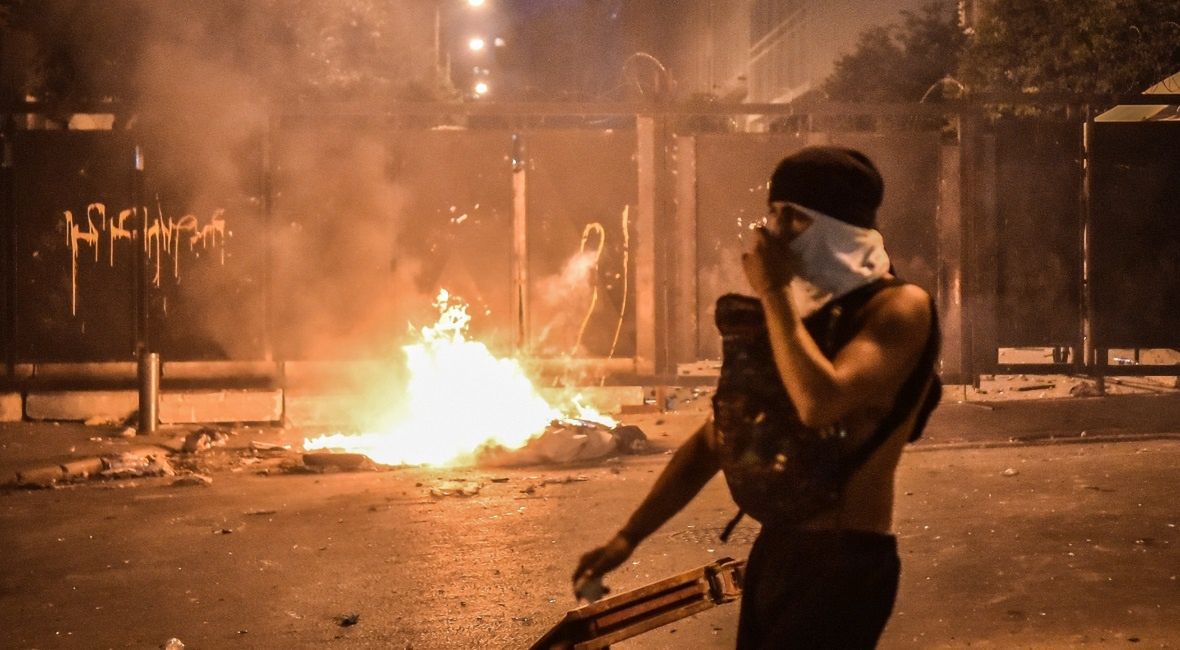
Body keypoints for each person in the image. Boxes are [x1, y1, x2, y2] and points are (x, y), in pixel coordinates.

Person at [572, 146, 940, 648]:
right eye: (773, 212)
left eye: (795, 218)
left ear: (840, 227)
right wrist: (629, 536)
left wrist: (773, 295)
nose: (773, 231)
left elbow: (820, 402)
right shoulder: (799, 317)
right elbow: (720, 438)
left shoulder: (899, 308)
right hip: (778, 551)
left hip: (844, 561)